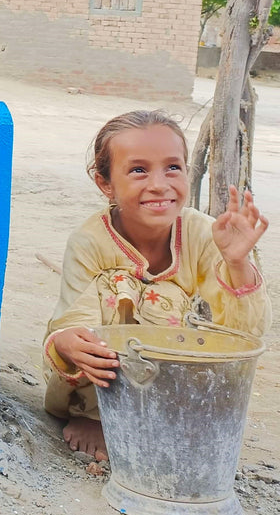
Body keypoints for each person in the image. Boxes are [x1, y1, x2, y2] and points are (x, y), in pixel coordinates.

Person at [44, 109, 271, 461]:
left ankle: (169, 422)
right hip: (105, 381)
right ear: (106, 184)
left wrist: (237, 263)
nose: (159, 184)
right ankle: (97, 416)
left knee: (188, 307)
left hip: (177, 383)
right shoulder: (89, 241)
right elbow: (70, 320)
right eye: (138, 170)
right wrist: (66, 343)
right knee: (115, 287)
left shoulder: (203, 233)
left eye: (173, 167)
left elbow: (244, 335)